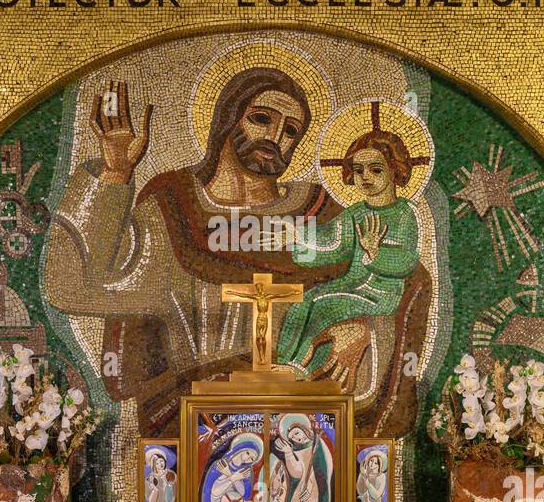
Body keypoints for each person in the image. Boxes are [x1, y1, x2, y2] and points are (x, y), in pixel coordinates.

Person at [42, 67, 430, 439]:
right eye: (262, 118)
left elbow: (399, 282)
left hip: (303, 426)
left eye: (291, 131)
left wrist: (364, 331)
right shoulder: (175, 209)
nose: (276, 136)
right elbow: (72, 287)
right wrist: (114, 173)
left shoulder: (319, 211)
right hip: (195, 424)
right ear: (229, 118)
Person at [274, 129, 421, 390]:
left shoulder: (405, 214)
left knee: (323, 305)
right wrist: (297, 237)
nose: (365, 177)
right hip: (350, 285)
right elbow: (332, 243)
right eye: (359, 170)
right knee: (304, 300)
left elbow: (407, 261)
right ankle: (285, 363)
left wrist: (375, 253)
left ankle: (301, 366)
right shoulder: (355, 213)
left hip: (381, 294)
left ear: (394, 170)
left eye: (375, 170)